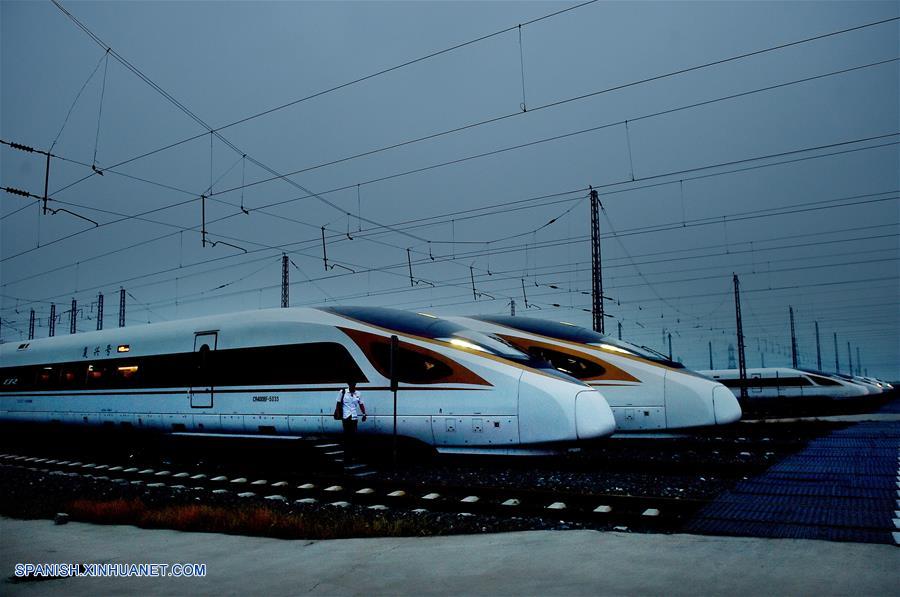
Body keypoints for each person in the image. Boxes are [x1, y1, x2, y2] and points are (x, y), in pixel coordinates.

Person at [337, 381, 366, 460]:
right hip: (346, 417)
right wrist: (338, 414)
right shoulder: (343, 392)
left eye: (354, 384)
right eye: (351, 384)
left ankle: (353, 454)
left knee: (353, 437)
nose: (353, 385)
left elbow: (361, 404)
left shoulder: (358, 393)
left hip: (354, 417)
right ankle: (347, 456)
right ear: (349, 384)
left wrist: (364, 414)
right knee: (347, 437)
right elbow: (338, 403)